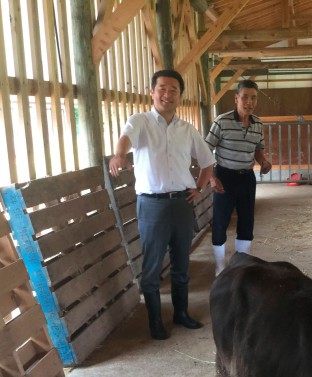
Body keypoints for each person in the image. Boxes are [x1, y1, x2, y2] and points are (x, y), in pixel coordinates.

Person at [108, 69, 222, 341]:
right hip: (152, 206)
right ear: (152, 92)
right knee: (152, 266)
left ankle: (181, 314)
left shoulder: (187, 130)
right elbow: (126, 138)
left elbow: (207, 162)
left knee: (182, 262)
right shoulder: (140, 122)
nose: (167, 94)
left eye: (173, 90)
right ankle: (155, 321)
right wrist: (119, 154)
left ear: (180, 96)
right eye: (162, 88)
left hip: (182, 203)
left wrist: (198, 185)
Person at [205, 79, 272, 275]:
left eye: (253, 98)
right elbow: (206, 150)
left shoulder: (258, 123)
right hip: (224, 176)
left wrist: (264, 162)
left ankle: (241, 266)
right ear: (236, 98)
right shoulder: (222, 121)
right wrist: (211, 177)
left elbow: (258, 149)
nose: (249, 102)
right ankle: (220, 266)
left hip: (246, 177)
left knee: (246, 220)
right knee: (221, 220)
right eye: (245, 97)